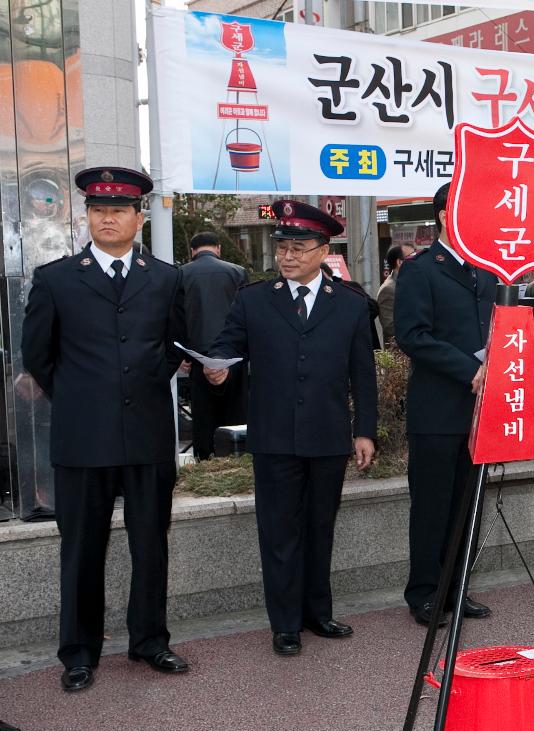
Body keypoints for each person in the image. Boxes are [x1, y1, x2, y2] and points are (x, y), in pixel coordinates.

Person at [21, 166, 190, 691]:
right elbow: (38, 357)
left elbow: (171, 347)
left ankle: (150, 641)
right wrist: (83, 397)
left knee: (150, 542)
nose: (107, 218)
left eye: (118, 210)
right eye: (98, 209)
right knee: (81, 548)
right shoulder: (55, 279)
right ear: (86, 216)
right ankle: (78, 652)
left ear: (139, 217)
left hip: (146, 434)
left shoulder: (165, 278)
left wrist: (138, 388)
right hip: (82, 437)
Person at [204, 200, 377, 656]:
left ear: (324, 250)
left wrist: (365, 431)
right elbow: (227, 346)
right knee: (279, 530)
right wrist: (217, 368)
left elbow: (363, 374)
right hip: (274, 437)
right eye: (283, 247)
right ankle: (285, 623)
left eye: (299, 247)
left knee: (320, 527)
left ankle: (317, 613)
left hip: (327, 434)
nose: (288, 255)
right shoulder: (254, 299)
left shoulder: (352, 305)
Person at [393, 182, 497, 627]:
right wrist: (467, 369)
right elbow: (413, 336)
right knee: (433, 506)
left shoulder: (488, 270)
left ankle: (457, 588)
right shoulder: (420, 270)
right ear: (443, 215)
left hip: (482, 411)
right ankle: (425, 594)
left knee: (469, 504)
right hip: (437, 410)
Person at [181, 231, 249, 460]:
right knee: (236, 409)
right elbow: (246, 316)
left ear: (193, 251)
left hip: (198, 353)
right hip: (234, 354)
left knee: (203, 411)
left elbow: (178, 316)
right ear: (218, 248)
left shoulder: (182, 274)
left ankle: (205, 457)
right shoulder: (237, 272)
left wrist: (183, 352)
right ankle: (237, 454)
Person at [377, 243, 415, 344]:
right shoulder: (389, 289)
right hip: (402, 353)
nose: (417, 260)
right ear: (399, 262)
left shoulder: (414, 282)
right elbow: (390, 327)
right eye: (412, 257)